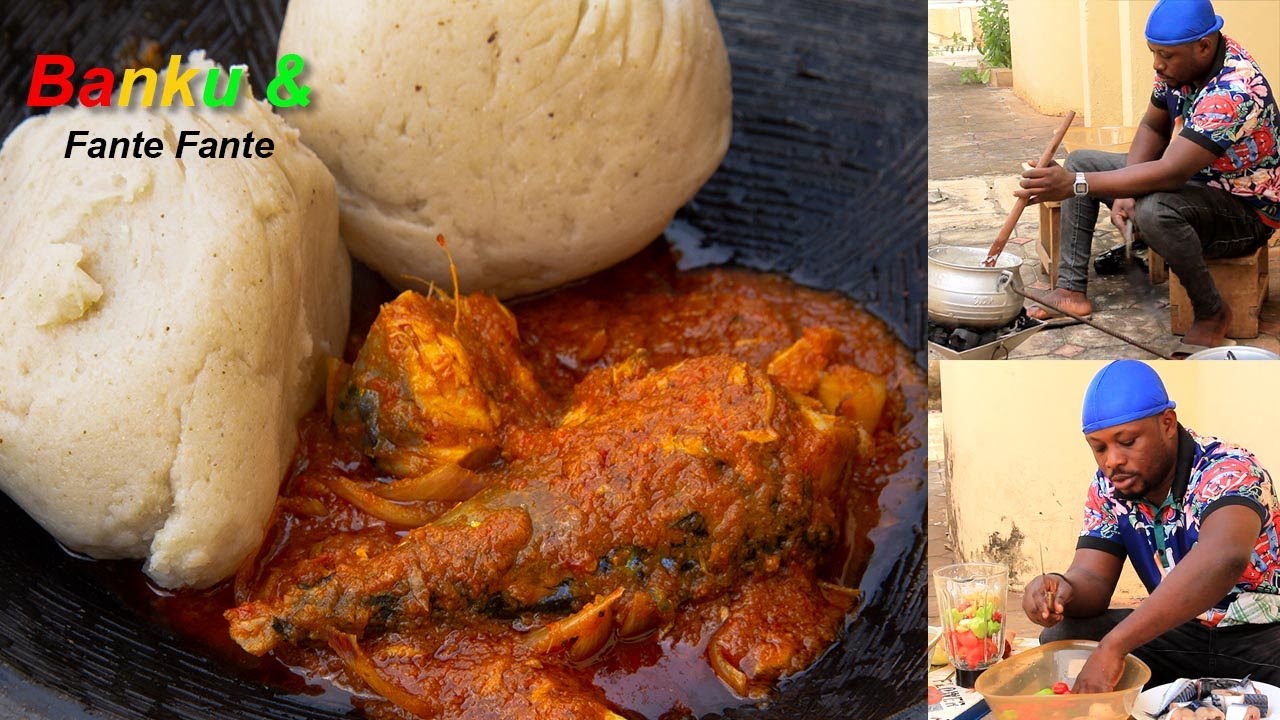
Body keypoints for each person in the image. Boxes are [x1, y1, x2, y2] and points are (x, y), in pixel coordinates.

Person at [1015, 0, 1280, 352]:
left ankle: (1212, 312)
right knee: (1082, 161)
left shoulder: (1234, 91)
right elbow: (1153, 127)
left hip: (1243, 212)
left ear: (1203, 46)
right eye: (1153, 53)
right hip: (1197, 182)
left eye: (1165, 56)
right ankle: (1070, 290)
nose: (1157, 64)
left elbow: (1171, 172)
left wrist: (1074, 185)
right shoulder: (1179, 66)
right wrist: (1124, 188)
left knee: (1153, 210)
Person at [1022, 360, 1280, 692]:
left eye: (1127, 441)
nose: (1112, 460)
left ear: (1168, 423)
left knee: (1106, 650)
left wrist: (1114, 646)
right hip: (1178, 632)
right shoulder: (1108, 487)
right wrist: (1061, 589)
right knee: (1063, 638)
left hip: (1265, 637)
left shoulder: (1227, 468)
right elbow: (1093, 579)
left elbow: (1224, 557)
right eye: (1099, 448)